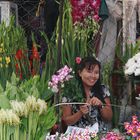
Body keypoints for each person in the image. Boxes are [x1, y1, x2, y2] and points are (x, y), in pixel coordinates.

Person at [62, 56, 113, 132]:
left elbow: (109, 118)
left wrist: (101, 105)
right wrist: (80, 113)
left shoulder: (102, 89)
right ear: (80, 73)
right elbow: (66, 121)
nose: (93, 76)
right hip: (78, 136)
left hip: (99, 135)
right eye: (89, 71)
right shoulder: (70, 91)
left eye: (96, 72)